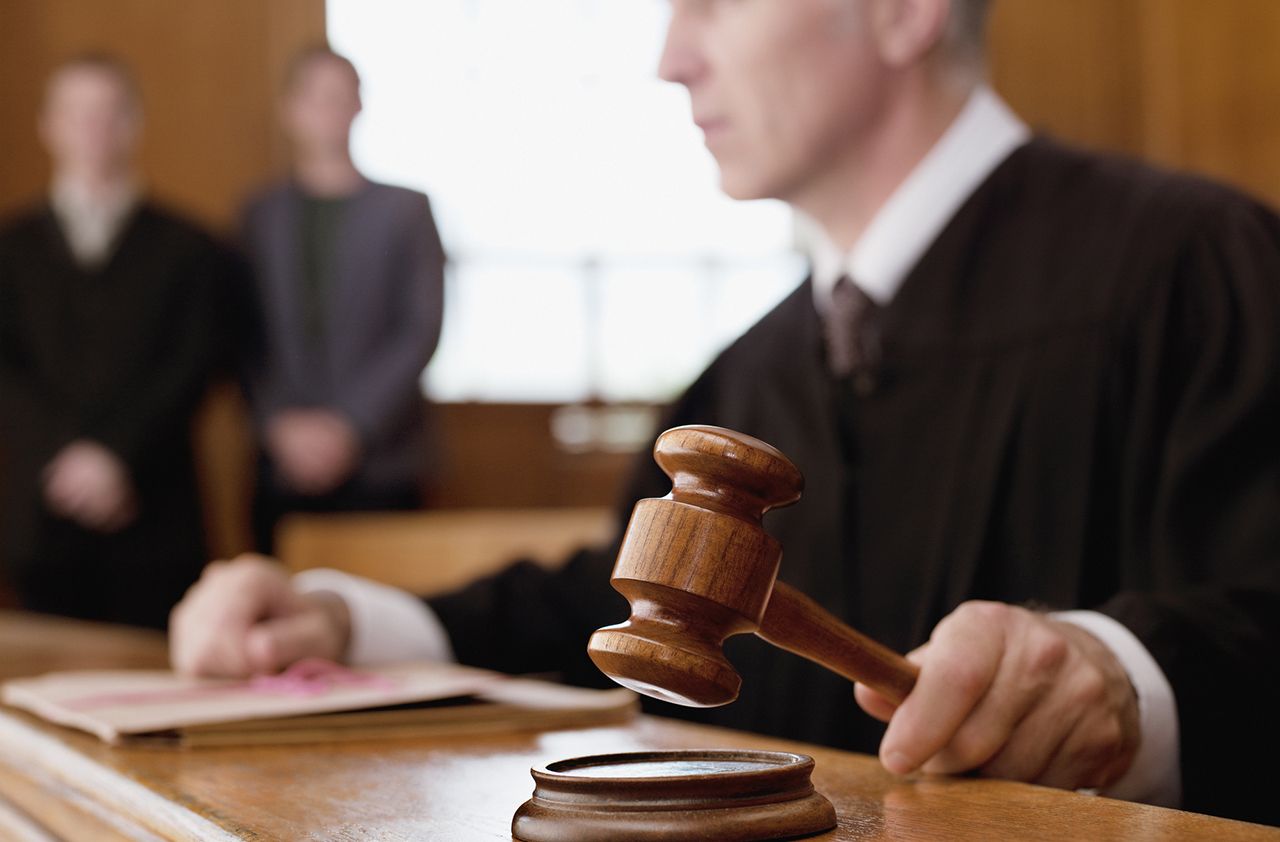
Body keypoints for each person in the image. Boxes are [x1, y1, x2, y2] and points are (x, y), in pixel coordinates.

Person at [170, 0, 1280, 826]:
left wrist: (1127, 677)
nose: (668, 57)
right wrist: (344, 628)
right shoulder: (746, 371)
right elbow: (622, 607)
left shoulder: (1194, 267)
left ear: (901, 11)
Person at [0, 54, 227, 629]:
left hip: (156, 513)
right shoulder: (10, 248)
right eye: (77, 114)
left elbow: (195, 363)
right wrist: (66, 458)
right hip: (39, 511)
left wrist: (114, 455)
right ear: (48, 125)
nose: (93, 130)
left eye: (109, 114)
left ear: (134, 124)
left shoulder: (190, 248)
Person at [240, 46, 446, 552]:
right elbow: (241, 334)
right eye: (315, 97)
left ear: (359, 105)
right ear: (290, 109)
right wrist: (280, 424)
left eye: (340, 96)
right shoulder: (257, 216)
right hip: (280, 463)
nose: (328, 110)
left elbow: (420, 328)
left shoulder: (406, 210)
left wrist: (350, 426)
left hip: (383, 460)